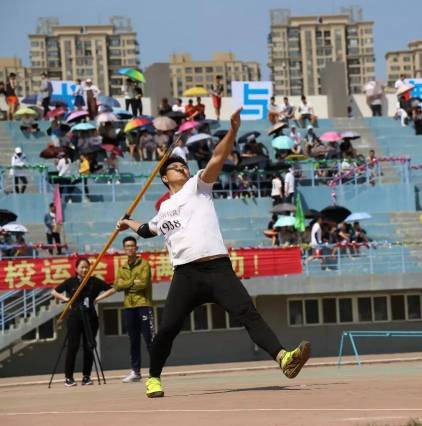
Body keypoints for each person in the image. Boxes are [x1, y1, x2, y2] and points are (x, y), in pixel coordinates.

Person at [116, 109, 310, 398]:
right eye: (175, 168)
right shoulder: (164, 209)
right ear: (165, 178)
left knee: (249, 314)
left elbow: (217, 158)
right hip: (186, 274)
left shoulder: (199, 186)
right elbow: (147, 229)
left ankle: (283, 358)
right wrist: (126, 223)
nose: (182, 168)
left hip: (218, 269)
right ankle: (153, 378)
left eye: (183, 166)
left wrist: (232, 132)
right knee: (167, 328)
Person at [50, 258, 113, 387]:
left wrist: (96, 299)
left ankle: (86, 376)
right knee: (72, 346)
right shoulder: (70, 282)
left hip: (90, 318)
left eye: (86, 267)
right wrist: (67, 299)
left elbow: (111, 289)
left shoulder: (93, 281)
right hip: (75, 318)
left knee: (89, 346)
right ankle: (69, 377)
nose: (84, 270)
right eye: (82, 267)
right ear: (76, 269)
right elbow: (54, 291)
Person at [114, 236, 154, 383]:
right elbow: (117, 286)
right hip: (129, 307)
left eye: (132, 246)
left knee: (149, 339)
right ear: (124, 249)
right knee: (134, 341)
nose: (130, 248)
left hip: (143, 304)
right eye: (127, 246)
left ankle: (156, 370)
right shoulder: (123, 267)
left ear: (136, 248)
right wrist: (131, 282)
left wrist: (126, 284)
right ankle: (135, 372)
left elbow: (143, 284)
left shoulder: (144, 264)